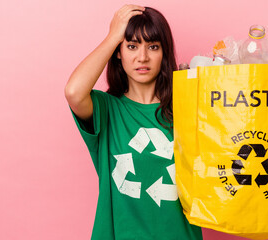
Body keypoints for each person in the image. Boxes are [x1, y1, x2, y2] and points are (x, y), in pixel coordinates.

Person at [65, 5, 203, 240]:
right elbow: (74, 92)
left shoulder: (188, 106)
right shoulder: (107, 109)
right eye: (131, 46)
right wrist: (113, 36)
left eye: (153, 47)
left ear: (164, 52)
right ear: (118, 52)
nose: (143, 57)